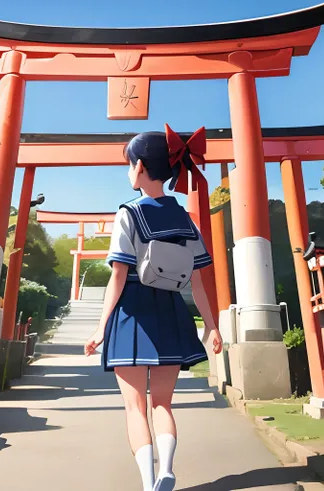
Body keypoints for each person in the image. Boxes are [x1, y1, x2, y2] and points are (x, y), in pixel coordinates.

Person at [84, 124, 223, 491]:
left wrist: (101, 328)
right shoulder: (185, 219)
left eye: (130, 164)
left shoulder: (128, 213)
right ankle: (168, 470)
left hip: (132, 311)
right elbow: (197, 279)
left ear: (141, 166)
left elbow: (118, 276)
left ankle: (149, 484)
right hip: (171, 310)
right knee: (163, 404)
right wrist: (212, 325)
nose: (130, 171)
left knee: (135, 408)